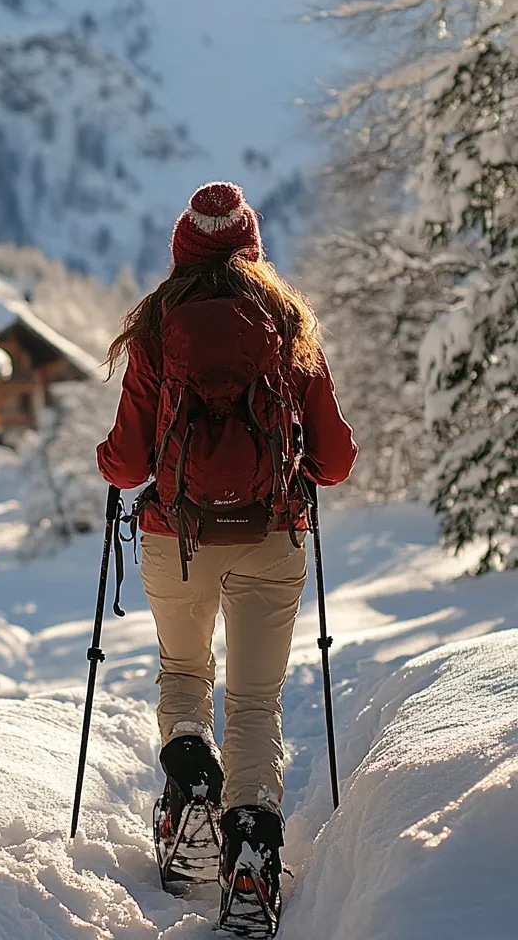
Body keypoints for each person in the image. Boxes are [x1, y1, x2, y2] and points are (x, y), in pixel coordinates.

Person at [97, 182, 357, 929]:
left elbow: (125, 463)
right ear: (251, 243)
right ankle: (252, 844)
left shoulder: (156, 324)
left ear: (184, 246)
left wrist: (109, 460)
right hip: (271, 536)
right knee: (253, 699)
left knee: (183, 671)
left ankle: (188, 786)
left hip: (174, 538)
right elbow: (334, 461)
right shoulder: (285, 319)